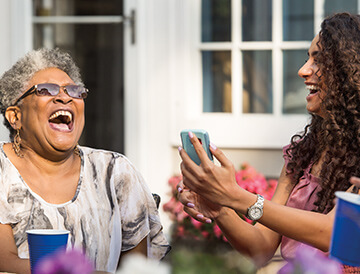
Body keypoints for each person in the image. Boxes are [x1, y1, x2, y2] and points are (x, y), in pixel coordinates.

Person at [178, 12, 360, 272]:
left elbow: (331, 233)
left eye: (318, 61)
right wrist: (220, 206)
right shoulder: (303, 154)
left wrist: (237, 195)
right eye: (307, 58)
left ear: (349, 71)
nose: (303, 70)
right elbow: (261, 248)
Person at [0, 48, 170, 273]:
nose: (64, 97)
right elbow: (5, 262)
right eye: (46, 90)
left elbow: (137, 267)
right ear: (16, 117)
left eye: (74, 90)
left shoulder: (115, 171)